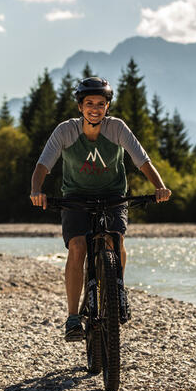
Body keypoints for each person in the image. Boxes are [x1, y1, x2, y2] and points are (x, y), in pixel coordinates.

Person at [30, 76, 171, 341]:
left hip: (113, 194)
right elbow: (42, 166)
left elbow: (142, 161)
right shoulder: (65, 131)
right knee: (78, 246)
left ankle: (117, 290)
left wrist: (160, 186)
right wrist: (36, 190)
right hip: (75, 196)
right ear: (80, 107)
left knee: (115, 240)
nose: (95, 108)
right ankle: (73, 317)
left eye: (101, 104)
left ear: (108, 106)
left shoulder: (116, 128)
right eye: (89, 103)